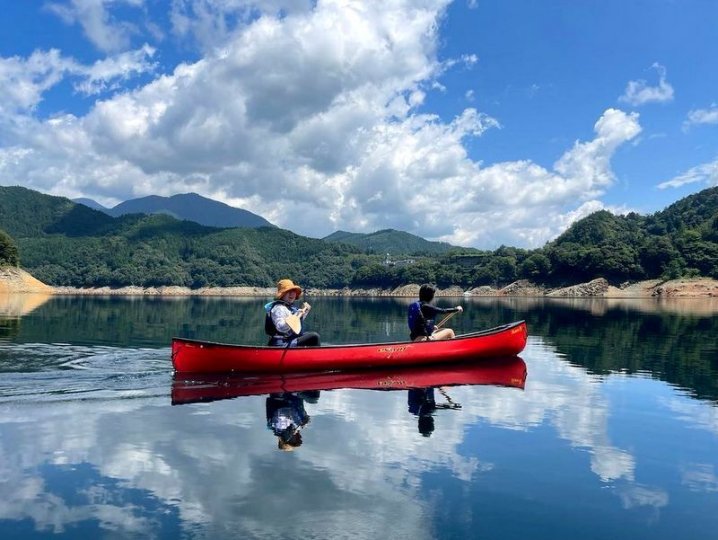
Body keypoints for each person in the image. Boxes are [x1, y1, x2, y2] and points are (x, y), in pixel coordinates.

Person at [265, 279, 321, 347]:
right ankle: (316, 357)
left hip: (289, 339)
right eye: (288, 291)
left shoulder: (288, 307)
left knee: (308, 335)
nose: (292, 294)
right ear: (282, 294)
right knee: (314, 337)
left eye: (293, 291)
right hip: (281, 344)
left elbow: (295, 324)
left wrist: (304, 311)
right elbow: (281, 328)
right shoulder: (279, 308)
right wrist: (296, 315)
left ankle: (308, 355)